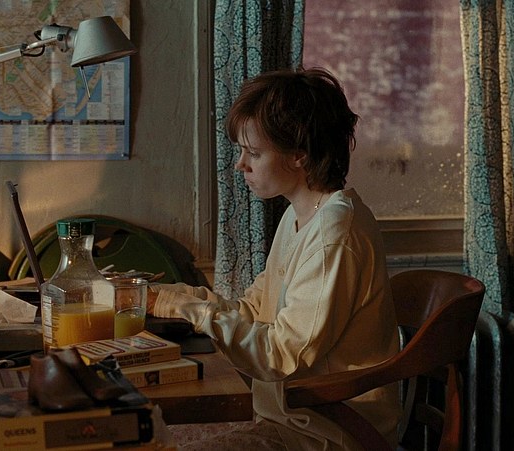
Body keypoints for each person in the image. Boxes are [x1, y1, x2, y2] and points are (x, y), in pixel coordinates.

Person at [147, 67, 401, 450]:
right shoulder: (300, 215)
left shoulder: (334, 234)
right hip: (291, 421)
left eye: (254, 153)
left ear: (299, 154)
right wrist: (165, 298)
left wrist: (185, 309)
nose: (241, 164)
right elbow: (254, 310)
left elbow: (281, 354)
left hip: (325, 434)